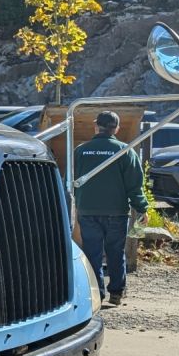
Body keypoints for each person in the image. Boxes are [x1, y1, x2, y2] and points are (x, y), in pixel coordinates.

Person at [74, 110, 147, 306]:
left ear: (95, 125)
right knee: (115, 252)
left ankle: (96, 294)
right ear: (116, 128)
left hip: (88, 211)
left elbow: (71, 181)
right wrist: (141, 208)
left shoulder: (81, 151)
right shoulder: (125, 151)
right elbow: (135, 185)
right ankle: (116, 293)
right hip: (117, 212)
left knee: (92, 253)